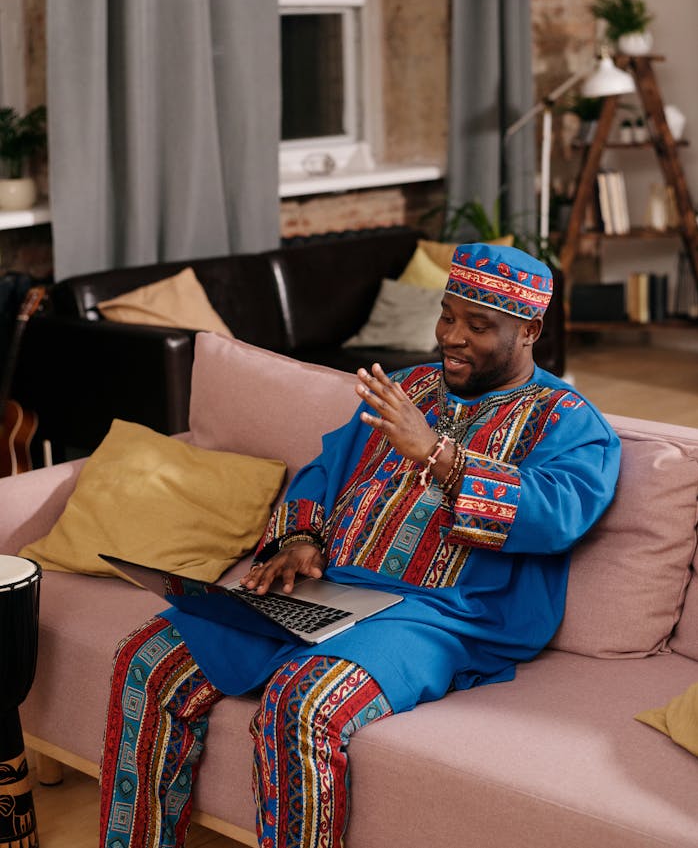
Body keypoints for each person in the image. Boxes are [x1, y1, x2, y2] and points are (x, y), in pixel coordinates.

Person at [99, 242, 621, 848]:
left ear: (529, 329)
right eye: (448, 315)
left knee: (301, 702)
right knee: (148, 658)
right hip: (330, 593)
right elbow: (322, 472)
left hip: (443, 616)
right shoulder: (404, 388)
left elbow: (555, 515)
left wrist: (437, 454)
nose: (452, 336)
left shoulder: (570, 420)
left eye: (479, 326)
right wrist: (298, 541)